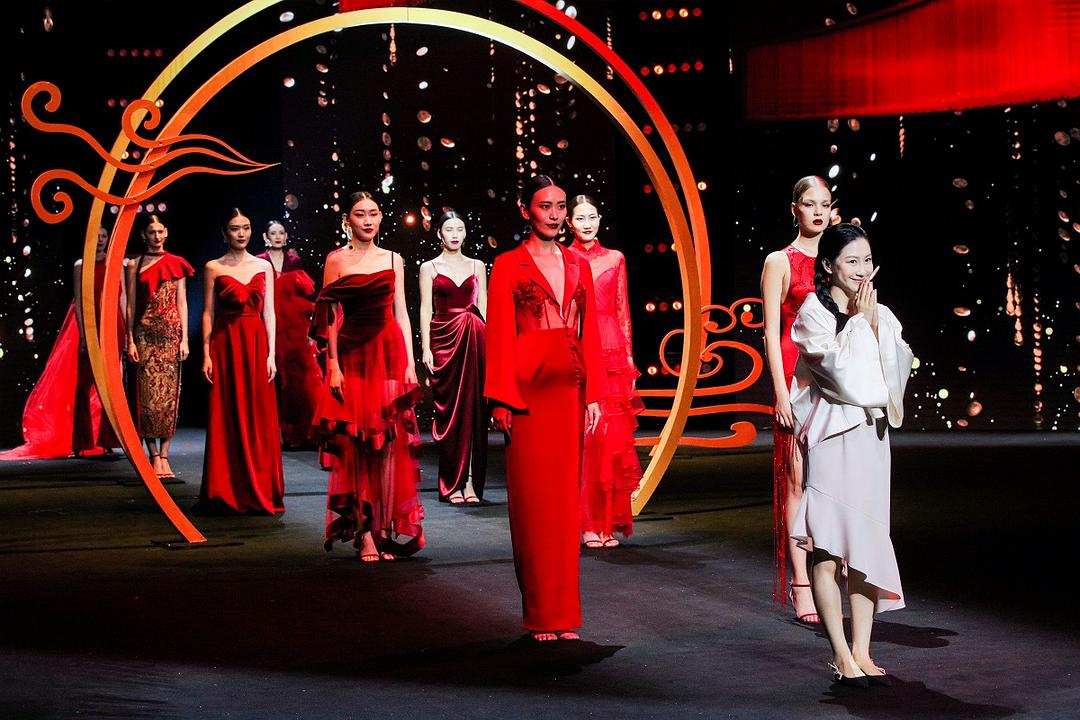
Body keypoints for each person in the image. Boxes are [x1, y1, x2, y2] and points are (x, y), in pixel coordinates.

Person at [789, 222, 912, 686]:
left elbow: (895, 372)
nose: (862, 270)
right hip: (832, 438)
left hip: (870, 439)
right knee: (827, 549)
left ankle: (862, 649)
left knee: (866, 543)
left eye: (867, 261)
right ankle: (840, 654)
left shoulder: (881, 312)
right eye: (852, 261)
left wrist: (873, 322)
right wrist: (860, 323)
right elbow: (841, 377)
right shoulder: (813, 313)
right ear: (829, 265)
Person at [486, 175, 605, 641]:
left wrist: (593, 393)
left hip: (569, 392)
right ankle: (540, 614)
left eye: (559, 206)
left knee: (563, 508)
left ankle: (563, 614)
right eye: (545, 206)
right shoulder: (507, 264)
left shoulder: (577, 263)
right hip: (527, 396)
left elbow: (590, 331)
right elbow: (499, 334)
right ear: (525, 210)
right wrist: (502, 400)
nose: (554, 215)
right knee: (534, 507)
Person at [311, 190, 424, 561]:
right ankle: (364, 532)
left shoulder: (393, 258)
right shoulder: (336, 260)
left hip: (389, 352)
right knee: (358, 444)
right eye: (360, 214)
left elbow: (402, 312)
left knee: (388, 442)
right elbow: (329, 316)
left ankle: (383, 528)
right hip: (352, 354)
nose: (369, 220)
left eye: (374, 213)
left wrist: (409, 362)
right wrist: (332, 365)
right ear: (348, 220)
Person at [760, 175, 837, 623]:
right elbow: (771, 332)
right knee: (796, 481)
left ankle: (833, 571)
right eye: (810, 204)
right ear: (795, 209)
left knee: (832, 481)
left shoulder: (838, 257)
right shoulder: (780, 261)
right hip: (795, 376)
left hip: (834, 377)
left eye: (825, 204)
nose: (818, 212)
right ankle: (801, 581)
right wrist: (780, 393)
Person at [0, 227, 125, 460]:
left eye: (103, 237)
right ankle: (82, 440)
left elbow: (123, 297)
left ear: (108, 239)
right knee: (84, 383)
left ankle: (107, 440)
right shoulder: (81, 265)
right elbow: (79, 301)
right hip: (89, 324)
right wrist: (84, 335)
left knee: (111, 385)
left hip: (112, 324)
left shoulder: (116, 263)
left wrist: (126, 331)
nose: (100, 241)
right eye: (96, 237)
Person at [195, 209, 284, 514]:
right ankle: (225, 490)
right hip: (225, 345)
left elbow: (270, 313)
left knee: (258, 416)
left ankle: (259, 487)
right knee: (227, 415)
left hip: (256, 345)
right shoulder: (213, 267)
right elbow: (208, 313)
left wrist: (271, 354)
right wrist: (206, 353)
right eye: (235, 229)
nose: (241, 233)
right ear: (225, 233)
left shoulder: (263, 266)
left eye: (246, 227)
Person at [568, 194, 643, 548]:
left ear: (600, 220)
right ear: (569, 222)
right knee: (584, 437)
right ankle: (585, 522)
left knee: (610, 438)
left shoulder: (615, 258)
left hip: (611, 349)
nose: (587, 224)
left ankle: (607, 522)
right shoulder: (564, 257)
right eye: (580, 218)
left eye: (592, 217)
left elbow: (622, 310)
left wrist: (627, 359)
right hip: (577, 346)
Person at [418, 210, 488, 504]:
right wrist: (425, 348)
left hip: (475, 338)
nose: (455, 234)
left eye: (460, 228)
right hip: (444, 340)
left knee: (474, 410)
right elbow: (425, 308)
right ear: (439, 234)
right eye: (449, 229)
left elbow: (484, 306)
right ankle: (451, 480)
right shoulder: (429, 267)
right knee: (449, 412)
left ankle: (469, 481)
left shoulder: (477, 265)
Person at [125, 215, 193, 479]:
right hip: (144, 336)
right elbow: (131, 304)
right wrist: (130, 338)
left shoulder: (177, 263)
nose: (156, 236)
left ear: (166, 232)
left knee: (168, 397)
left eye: (160, 231)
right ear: (144, 235)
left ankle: (165, 455)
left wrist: (184, 339)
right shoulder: (135, 264)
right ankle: (153, 455)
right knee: (147, 399)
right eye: (151, 232)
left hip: (170, 336)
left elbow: (182, 302)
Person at [257, 220, 323, 448]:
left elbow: (303, 295)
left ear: (286, 236)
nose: (277, 237)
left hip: (293, 326)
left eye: (281, 233)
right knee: (270, 377)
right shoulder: (259, 261)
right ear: (266, 237)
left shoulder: (294, 261)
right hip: (267, 323)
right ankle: (272, 433)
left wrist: (309, 330)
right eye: (273, 233)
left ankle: (299, 432)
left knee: (296, 380)